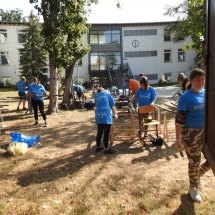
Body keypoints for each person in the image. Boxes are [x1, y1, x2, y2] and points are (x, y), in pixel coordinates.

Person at [174, 68, 211, 203]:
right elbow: (179, 120)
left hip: (207, 133)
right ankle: (193, 188)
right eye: (197, 80)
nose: (201, 82)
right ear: (191, 80)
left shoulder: (206, 94)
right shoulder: (185, 97)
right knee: (194, 162)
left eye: (202, 80)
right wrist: (178, 138)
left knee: (212, 159)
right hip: (191, 134)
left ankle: (198, 174)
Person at [95, 86, 118, 154]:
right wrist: (115, 114)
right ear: (103, 89)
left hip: (98, 115)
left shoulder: (96, 96)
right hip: (106, 115)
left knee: (99, 132)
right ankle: (107, 149)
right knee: (106, 133)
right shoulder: (107, 93)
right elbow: (112, 105)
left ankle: (98, 147)